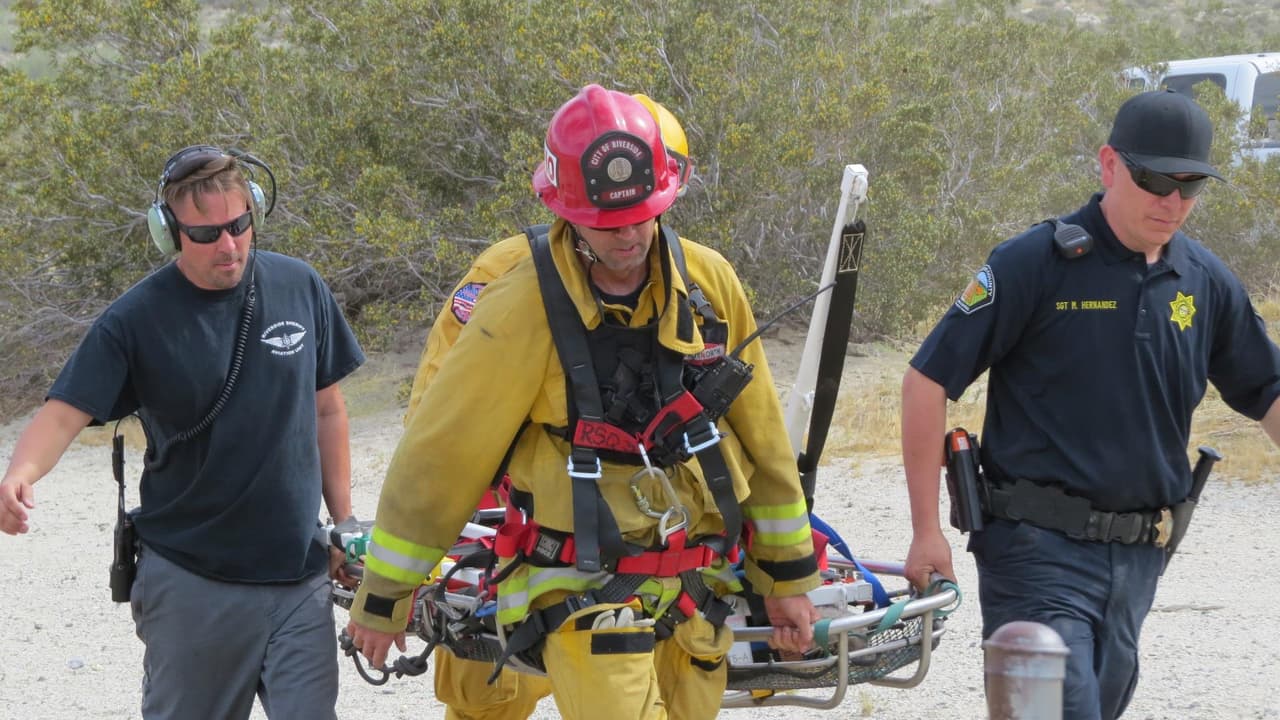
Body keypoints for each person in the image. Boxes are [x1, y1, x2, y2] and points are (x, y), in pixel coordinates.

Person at [346, 85, 820, 720]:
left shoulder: (709, 284)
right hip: (578, 585)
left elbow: (763, 443)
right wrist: (385, 597)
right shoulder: (519, 304)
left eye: (641, 215)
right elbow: (441, 454)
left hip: (695, 588)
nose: (628, 236)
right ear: (567, 211)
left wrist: (787, 581)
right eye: (607, 223)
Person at [901, 89, 1280, 720]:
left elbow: (1268, 389)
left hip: (1138, 559)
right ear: (1109, 164)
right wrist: (924, 532)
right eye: (1155, 179)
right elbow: (926, 382)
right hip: (1034, 553)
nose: (1173, 201)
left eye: (1191, 186)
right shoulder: (1034, 264)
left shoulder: (1206, 281)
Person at [0, 145, 366, 719]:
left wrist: (342, 523)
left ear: (256, 212)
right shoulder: (135, 318)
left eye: (240, 224)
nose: (229, 245)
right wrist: (19, 473)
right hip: (195, 580)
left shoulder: (301, 285)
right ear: (168, 233)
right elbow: (64, 412)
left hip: (301, 573)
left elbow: (327, 411)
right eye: (206, 234)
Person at [400, 93, 694, 720]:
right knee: (487, 697)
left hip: (656, 562)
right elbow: (436, 425)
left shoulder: (690, 284)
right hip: (521, 545)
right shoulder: (511, 281)